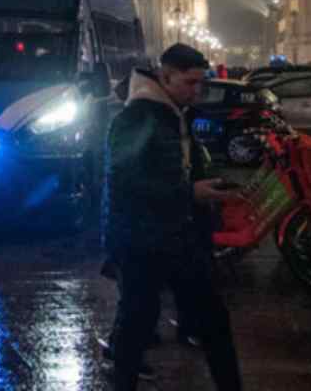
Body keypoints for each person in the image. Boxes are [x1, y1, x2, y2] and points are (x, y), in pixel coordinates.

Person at [102, 43, 242, 391]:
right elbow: (128, 181)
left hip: (176, 236)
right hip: (143, 240)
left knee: (210, 321)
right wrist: (191, 192)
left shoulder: (170, 112)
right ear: (165, 77)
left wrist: (201, 185)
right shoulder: (139, 116)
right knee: (138, 325)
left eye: (200, 83)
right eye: (190, 83)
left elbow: (175, 170)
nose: (197, 91)